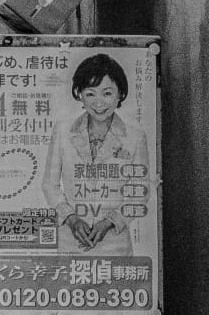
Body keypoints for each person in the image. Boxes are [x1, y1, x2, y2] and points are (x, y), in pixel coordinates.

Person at [41, 53, 151, 255]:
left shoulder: (135, 137)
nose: (99, 102)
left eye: (107, 93)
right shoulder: (63, 130)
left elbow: (140, 192)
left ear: (120, 95)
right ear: (79, 94)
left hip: (115, 244)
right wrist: (72, 219)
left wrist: (110, 222)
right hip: (71, 242)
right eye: (91, 93)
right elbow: (49, 184)